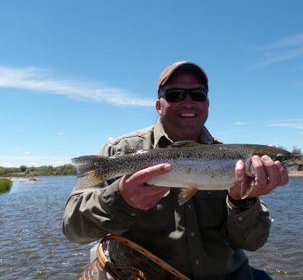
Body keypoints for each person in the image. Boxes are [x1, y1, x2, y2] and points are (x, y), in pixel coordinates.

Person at [63, 61, 289, 279]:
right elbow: (73, 229)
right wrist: (120, 199)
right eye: (175, 95)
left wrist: (243, 201)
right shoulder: (121, 152)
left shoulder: (231, 159)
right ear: (158, 105)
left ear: (207, 104)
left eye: (197, 95)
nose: (188, 102)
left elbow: (253, 243)